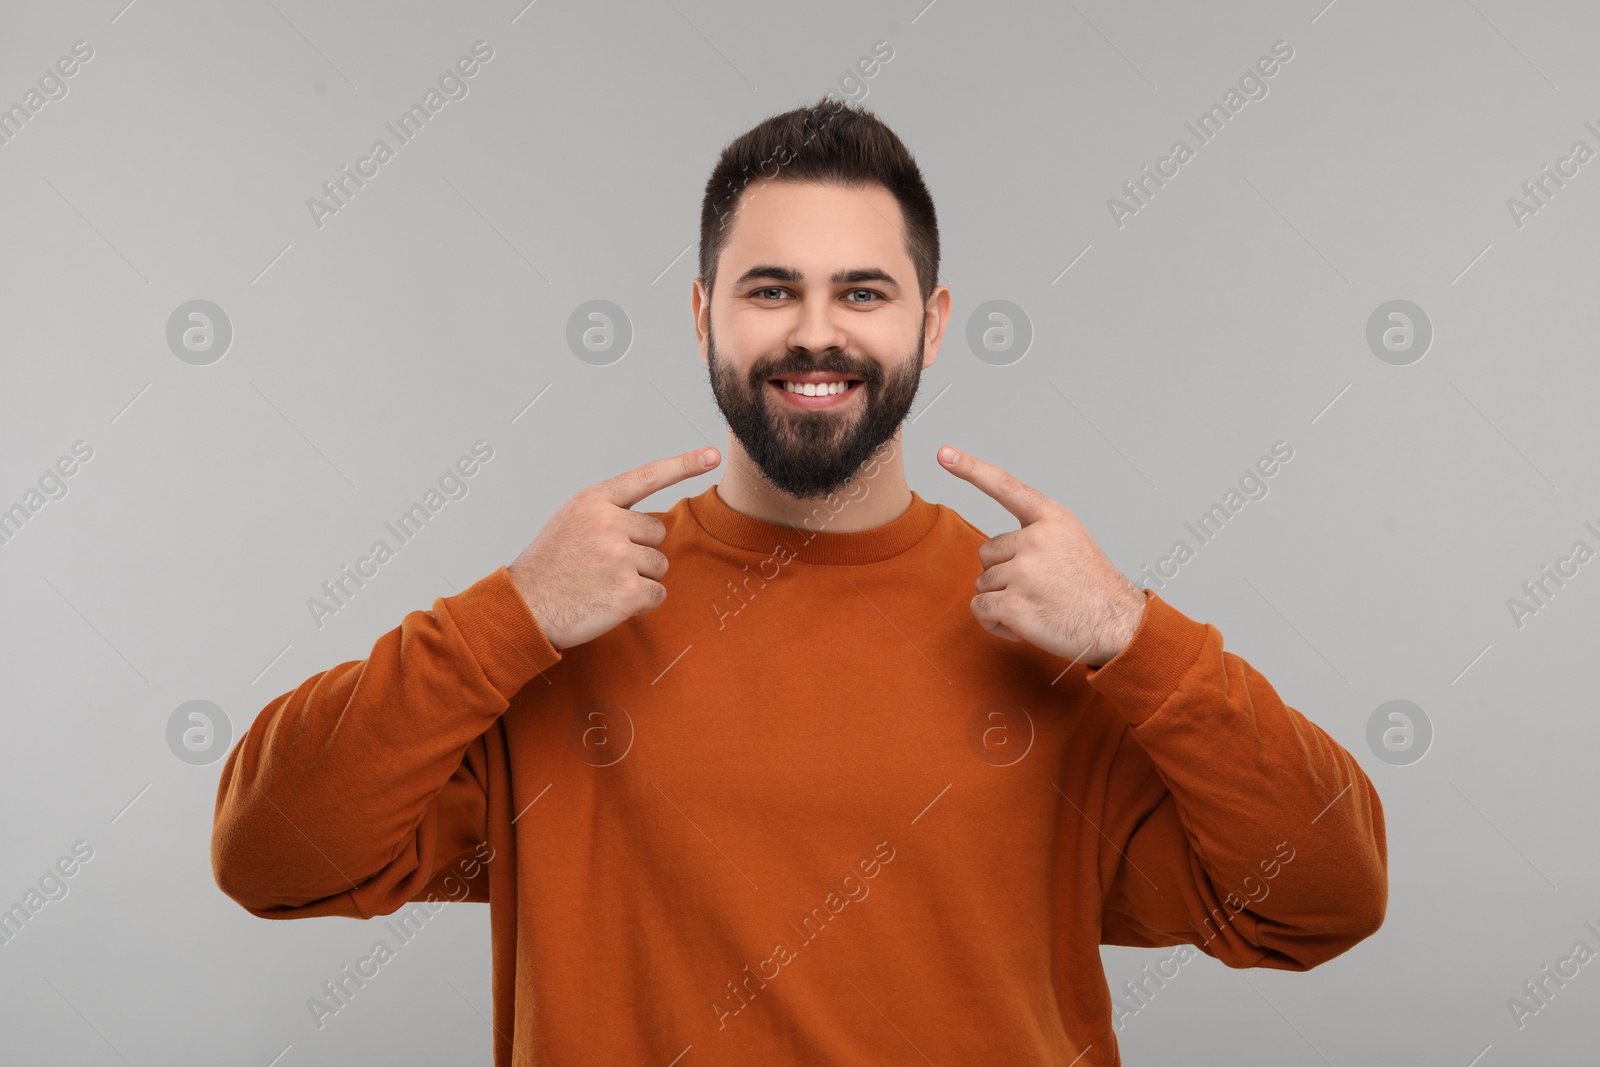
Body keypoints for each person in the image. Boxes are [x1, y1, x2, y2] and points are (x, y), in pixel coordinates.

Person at [211, 96, 1386, 1066]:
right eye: (769, 289)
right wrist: (506, 616)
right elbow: (275, 854)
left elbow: (1324, 894)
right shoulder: (562, 626)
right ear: (702, 318)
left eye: (861, 293)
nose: (813, 333)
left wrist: (1134, 636)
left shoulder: (1050, 638)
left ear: (929, 326)